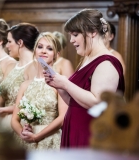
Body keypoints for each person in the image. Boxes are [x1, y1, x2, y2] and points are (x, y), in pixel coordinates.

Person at [43, 9, 125, 148]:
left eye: (75, 35)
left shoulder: (106, 62)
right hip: (75, 127)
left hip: (90, 132)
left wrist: (66, 84)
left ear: (92, 32)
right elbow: (75, 102)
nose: (71, 40)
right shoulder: (87, 58)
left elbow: (97, 103)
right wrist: (59, 86)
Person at [11, 32, 67, 150]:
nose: (43, 51)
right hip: (25, 141)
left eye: (49, 48)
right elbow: (14, 119)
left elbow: (62, 118)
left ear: (56, 54)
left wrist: (37, 137)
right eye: (40, 47)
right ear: (35, 51)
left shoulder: (60, 82)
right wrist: (23, 132)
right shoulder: (25, 85)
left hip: (49, 140)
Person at [0, 23, 40, 131]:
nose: (6, 46)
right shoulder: (11, 66)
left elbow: (33, 104)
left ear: (20, 43)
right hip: (2, 120)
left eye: (9, 42)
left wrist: (3, 110)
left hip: (21, 123)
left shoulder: (35, 67)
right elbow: (2, 99)